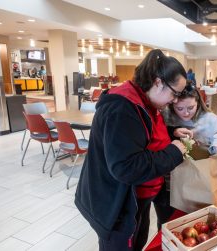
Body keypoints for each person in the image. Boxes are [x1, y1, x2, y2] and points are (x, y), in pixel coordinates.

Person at [74, 49, 188, 251]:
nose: (176, 100)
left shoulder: (145, 100)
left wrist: (171, 134)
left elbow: (141, 136)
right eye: (175, 93)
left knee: (139, 241)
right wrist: (173, 153)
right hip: (116, 204)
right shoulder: (122, 108)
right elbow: (126, 167)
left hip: (136, 199)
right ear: (158, 82)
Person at [164, 81, 217, 156]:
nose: (186, 113)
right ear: (172, 105)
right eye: (180, 109)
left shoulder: (208, 118)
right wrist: (173, 132)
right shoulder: (166, 117)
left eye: (191, 108)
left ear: (198, 103)